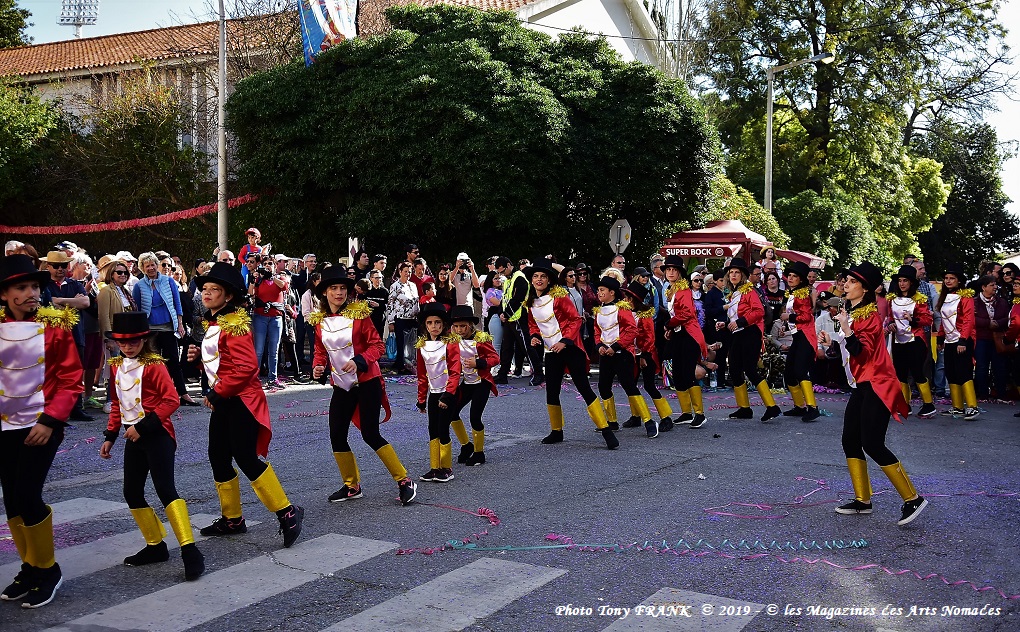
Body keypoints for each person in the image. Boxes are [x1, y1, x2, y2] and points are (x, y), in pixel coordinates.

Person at [186, 262, 304, 548]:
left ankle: (287, 512)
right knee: (218, 456)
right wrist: (199, 360)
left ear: (228, 296)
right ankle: (233, 519)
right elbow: (222, 363)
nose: (207, 293)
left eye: (214, 289)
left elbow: (247, 367)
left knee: (245, 457)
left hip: (242, 401)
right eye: (205, 288)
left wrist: (218, 391)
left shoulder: (235, 324)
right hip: (225, 399)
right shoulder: (215, 322)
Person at [0, 254, 84, 608]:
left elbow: (71, 379)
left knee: (28, 495)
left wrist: (50, 420)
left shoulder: (56, 327)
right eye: (22, 287)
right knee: (12, 499)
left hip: (41, 426)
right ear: (4, 295)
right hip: (5, 428)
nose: (32, 293)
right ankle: (30, 567)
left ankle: (48, 569)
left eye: (35, 286)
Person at [99, 312, 205, 581]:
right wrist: (110, 435)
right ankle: (155, 545)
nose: (128, 346)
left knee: (166, 490)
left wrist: (142, 427)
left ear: (144, 340)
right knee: (132, 492)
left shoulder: (154, 365)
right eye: (122, 342)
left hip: (157, 436)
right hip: (134, 437)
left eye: (133, 341)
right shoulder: (116, 366)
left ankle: (190, 551)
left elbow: (171, 400)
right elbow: (117, 404)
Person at [820, 261, 927, 526]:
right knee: (850, 439)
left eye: (852, 282)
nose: (846, 284)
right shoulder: (852, 312)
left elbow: (863, 352)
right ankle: (863, 500)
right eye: (846, 280)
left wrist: (846, 331)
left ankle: (913, 498)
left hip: (878, 384)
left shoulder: (869, 316)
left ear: (865, 289)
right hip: (861, 384)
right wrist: (831, 342)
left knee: (872, 443)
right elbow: (848, 351)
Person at [310, 266, 417, 506]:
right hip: (342, 386)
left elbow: (377, 346)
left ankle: (404, 481)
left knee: (370, 434)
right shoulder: (319, 321)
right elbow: (320, 351)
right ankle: (352, 486)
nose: (339, 293)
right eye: (333, 288)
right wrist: (317, 367)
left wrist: (359, 361)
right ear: (325, 292)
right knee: (337, 435)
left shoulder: (359, 315)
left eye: (342, 288)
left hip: (367, 382)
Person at [525, 258, 617, 449]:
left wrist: (564, 341)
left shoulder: (559, 297)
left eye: (543, 276)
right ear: (532, 280)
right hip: (552, 351)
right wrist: (534, 336)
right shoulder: (531, 302)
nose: (539, 279)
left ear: (549, 280)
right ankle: (556, 431)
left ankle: (606, 430)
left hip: (570, 349)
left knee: (584, 388)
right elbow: (533, 324)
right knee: (552, 391)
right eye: (536, 276)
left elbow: (575, 320)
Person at [717, 259, 782, 422]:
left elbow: (759, 311)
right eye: (731, 272)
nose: (733, 275)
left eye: (737, 272)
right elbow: (737, 315)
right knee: (734, 370)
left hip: (750, 332)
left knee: (750, 369)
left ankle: (772, 407)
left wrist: (739, 322)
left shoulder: (749, 290)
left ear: (743, 275)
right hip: (739, 333)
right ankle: (744, 408)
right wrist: (725, 324)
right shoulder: (735, 293)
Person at [132, 252, 198, 407]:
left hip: (168, 327)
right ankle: (156, 395)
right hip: (149, 330)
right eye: (147, 266)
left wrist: (180, 324)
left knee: (173, 362)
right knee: (153, 363)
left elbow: (177, 304)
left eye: (153, 265)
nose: (151, 268)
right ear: (142, 268)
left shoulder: (168, 281)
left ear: (157, 265)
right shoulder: (139, 285)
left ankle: (183, 393)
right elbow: (137, 308)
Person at [593, 276, 653, 435]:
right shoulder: (599, 310)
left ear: (612, 292)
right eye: (598, 290)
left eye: (602, 290)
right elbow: (597, 331)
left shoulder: (622, 309)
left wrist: (616, 346)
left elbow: (632, 330)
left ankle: (648, 421)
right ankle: (612, 422)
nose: (599, 293)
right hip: (606, 354)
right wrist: (599, 345)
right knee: (603, 386)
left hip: (622, 354)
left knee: (629, 386)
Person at [415, 302, 462, 482]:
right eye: (430, 323)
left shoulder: (450, 344)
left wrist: (448, 395)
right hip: (434, 393)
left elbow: (455, 371)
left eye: (437, 322)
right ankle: (435, 467)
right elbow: (421, 375)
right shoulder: (422, 346)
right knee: (432, 429)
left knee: (443, 429)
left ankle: (446, 468)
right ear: (425, 325)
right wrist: (421, 399)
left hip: (448, 393)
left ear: (443, 325)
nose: (433, 326)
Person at [662, 255, 709, 428]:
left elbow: (687, 314)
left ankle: (700, 414)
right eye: (668, 269)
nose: (670, 272)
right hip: (679, 334)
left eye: (674, 270)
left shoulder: (684, 290)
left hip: (689, 335)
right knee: (678, 374)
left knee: (688, 373)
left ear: (680, 273)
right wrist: (671, 329)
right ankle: (686, 413)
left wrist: (669, 324)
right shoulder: (672, 290)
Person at [448, 306, 499, 466]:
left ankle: (479, 453)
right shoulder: (453, 340)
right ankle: (466, 445)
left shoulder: (481, 339)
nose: (459, 330)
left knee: (475, 417)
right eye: (456, 326)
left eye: (463, 326)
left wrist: (479, 363)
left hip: (481, 383)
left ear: (470, 325)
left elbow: (495, 358)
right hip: (467, 383)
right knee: (452, 412)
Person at [622, 281, 674, 432]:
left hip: (646, 354)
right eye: (626, 297)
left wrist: (644, 355)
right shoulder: (625, 313)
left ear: (635, 300)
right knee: (630, 384)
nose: (625, 300)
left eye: (628, 298)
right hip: (631, 354)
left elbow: (650, 338)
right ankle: (635, 416)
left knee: (649, 385)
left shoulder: (645, 316)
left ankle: (666, 417)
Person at [887, 265, 937, 418]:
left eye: (905, 281)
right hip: (898, 340)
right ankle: (904, 405)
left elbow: (927, 319)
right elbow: (890, 317)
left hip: (915, 340)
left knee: (917, 372)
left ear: (911, 283)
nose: (902, 284)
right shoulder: (892, 299)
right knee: (900, 374)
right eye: (900, 281)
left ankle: (929, 405)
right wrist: (891, 324)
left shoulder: (920, 299)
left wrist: (913, 320)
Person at [779, 261, 820, 422]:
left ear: (801, 279)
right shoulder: (794, 293)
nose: (790, 278)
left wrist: (788, 317)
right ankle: (800, 406)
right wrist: (786, 326)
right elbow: (796, 317)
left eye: (794, 276)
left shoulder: (802, 295)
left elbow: (807, 317)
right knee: (789, 373)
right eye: (789, 275)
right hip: (798, 336)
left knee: (800, 371)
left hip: (806, 337)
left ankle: (812, 407)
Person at [936, 263, 978, 419]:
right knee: (951, 372)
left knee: (964, 372)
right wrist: (940, 337)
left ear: (959, 280)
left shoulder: (966, 297)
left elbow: (968, 320)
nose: (948, 281)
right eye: (946, 278)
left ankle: (972, 406)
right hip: (949, 341)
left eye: (952, 278)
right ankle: (957, 406)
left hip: (962, 339)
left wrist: (963, 340)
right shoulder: (945, 297)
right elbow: (944, 320)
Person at [249, 254, 289, 390]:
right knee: (259, 350)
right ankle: (254, 379)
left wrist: (271, 276)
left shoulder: (280, 278)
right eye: (265, 264)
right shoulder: (259, 280)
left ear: (275, 265)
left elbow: (284, 286)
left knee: (274, 350)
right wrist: (254, 279)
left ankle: (273, 378)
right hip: (260, 316)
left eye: (270, 264)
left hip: (276, 318)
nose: (267, 266)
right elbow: (251, 293)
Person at [973, 274, 1009, 400]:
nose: (995, 287)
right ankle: (983, 394)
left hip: (997, 338)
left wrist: (998, 323)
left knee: (999, 366)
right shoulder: (974, 302)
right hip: (981, 338)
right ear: (983, 287)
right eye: (992, 285)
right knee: (981, 366)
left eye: (995, 285)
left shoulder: (1002, 302)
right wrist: (988, 323)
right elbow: (972, 318)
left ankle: (1001, 393)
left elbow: (1008, 317)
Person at [386, 261, 419, 375]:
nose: (407, 274)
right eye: (405, 271)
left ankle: (410, 364)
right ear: (400, 272)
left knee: (411, 343)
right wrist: (390, 321)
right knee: (401, 343)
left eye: (409, 272)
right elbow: (390, 304)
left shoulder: (413, 285)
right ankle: (400, 366)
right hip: (400, 318)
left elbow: (416, 301)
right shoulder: (395, 286)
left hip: (412, 318)